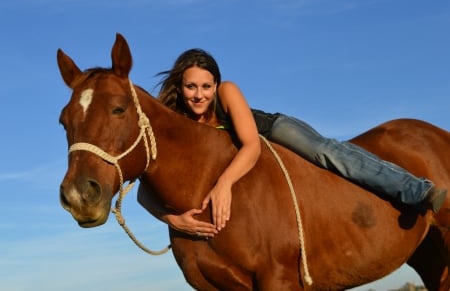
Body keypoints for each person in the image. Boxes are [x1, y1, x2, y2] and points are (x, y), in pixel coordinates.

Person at [138, 48, 447, 238]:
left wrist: (224, 185)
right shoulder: (181, 123)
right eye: (191, 86)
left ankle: (416, 189)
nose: (199, 94)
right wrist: (173, 220)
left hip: (270, 131)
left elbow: (251, 145)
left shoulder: (227, 92)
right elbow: (145, 190)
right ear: (180, 87)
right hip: (240, 161)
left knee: (328, 152)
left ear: (216, 85)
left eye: (206, 86)